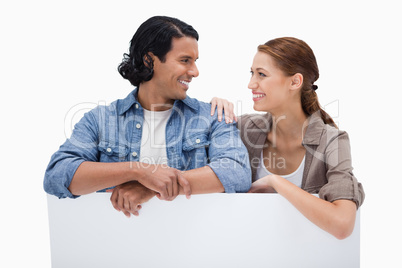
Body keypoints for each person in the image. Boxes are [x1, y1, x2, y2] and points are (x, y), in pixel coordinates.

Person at [44, 16, 251, 217]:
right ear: (149, 60)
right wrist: (139, 171)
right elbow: (57, 175)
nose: (195, 71)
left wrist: (153, 188)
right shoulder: (100, 119)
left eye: (195, 61)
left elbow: (237, 171)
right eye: (185, 60)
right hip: (114, 244)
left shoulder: (213, 116)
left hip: (192, 246)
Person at [211, 37, 364, 239]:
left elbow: (342, 224)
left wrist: (277, 183)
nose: (250, 84)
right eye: (252, 73)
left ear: (295, 82)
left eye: (262, 74)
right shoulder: (245, 129)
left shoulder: (332, 141)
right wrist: (213, 112)